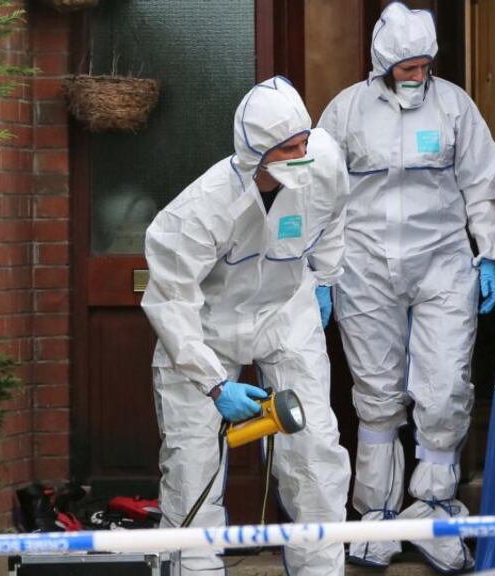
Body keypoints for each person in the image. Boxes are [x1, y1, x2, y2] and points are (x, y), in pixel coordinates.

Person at [318, 3, 495, 572]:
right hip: (366, 266)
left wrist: (489, 254)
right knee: (376, 396)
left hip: (443, 265)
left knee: (446, 385)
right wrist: (320, 273)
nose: (416, 73)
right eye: (406, 64)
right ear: (383, 62)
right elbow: (318, 195)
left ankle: (434, 509)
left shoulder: (455, 106)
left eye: (424, 63)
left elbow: (482, 183)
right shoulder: (346, 111)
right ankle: (374, 515)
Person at [142, 76, 351, 576]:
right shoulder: (199, 210)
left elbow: (334, 216)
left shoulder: (324, 163)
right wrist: (214, 383)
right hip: (207, 330)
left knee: (315, 451)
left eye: (306, 141)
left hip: (287, 314)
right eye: (289, 148)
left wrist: (324, 278)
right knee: (192, 464)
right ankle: (195, 570)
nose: (305, 154)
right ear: (257, 155)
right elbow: (171, 303)